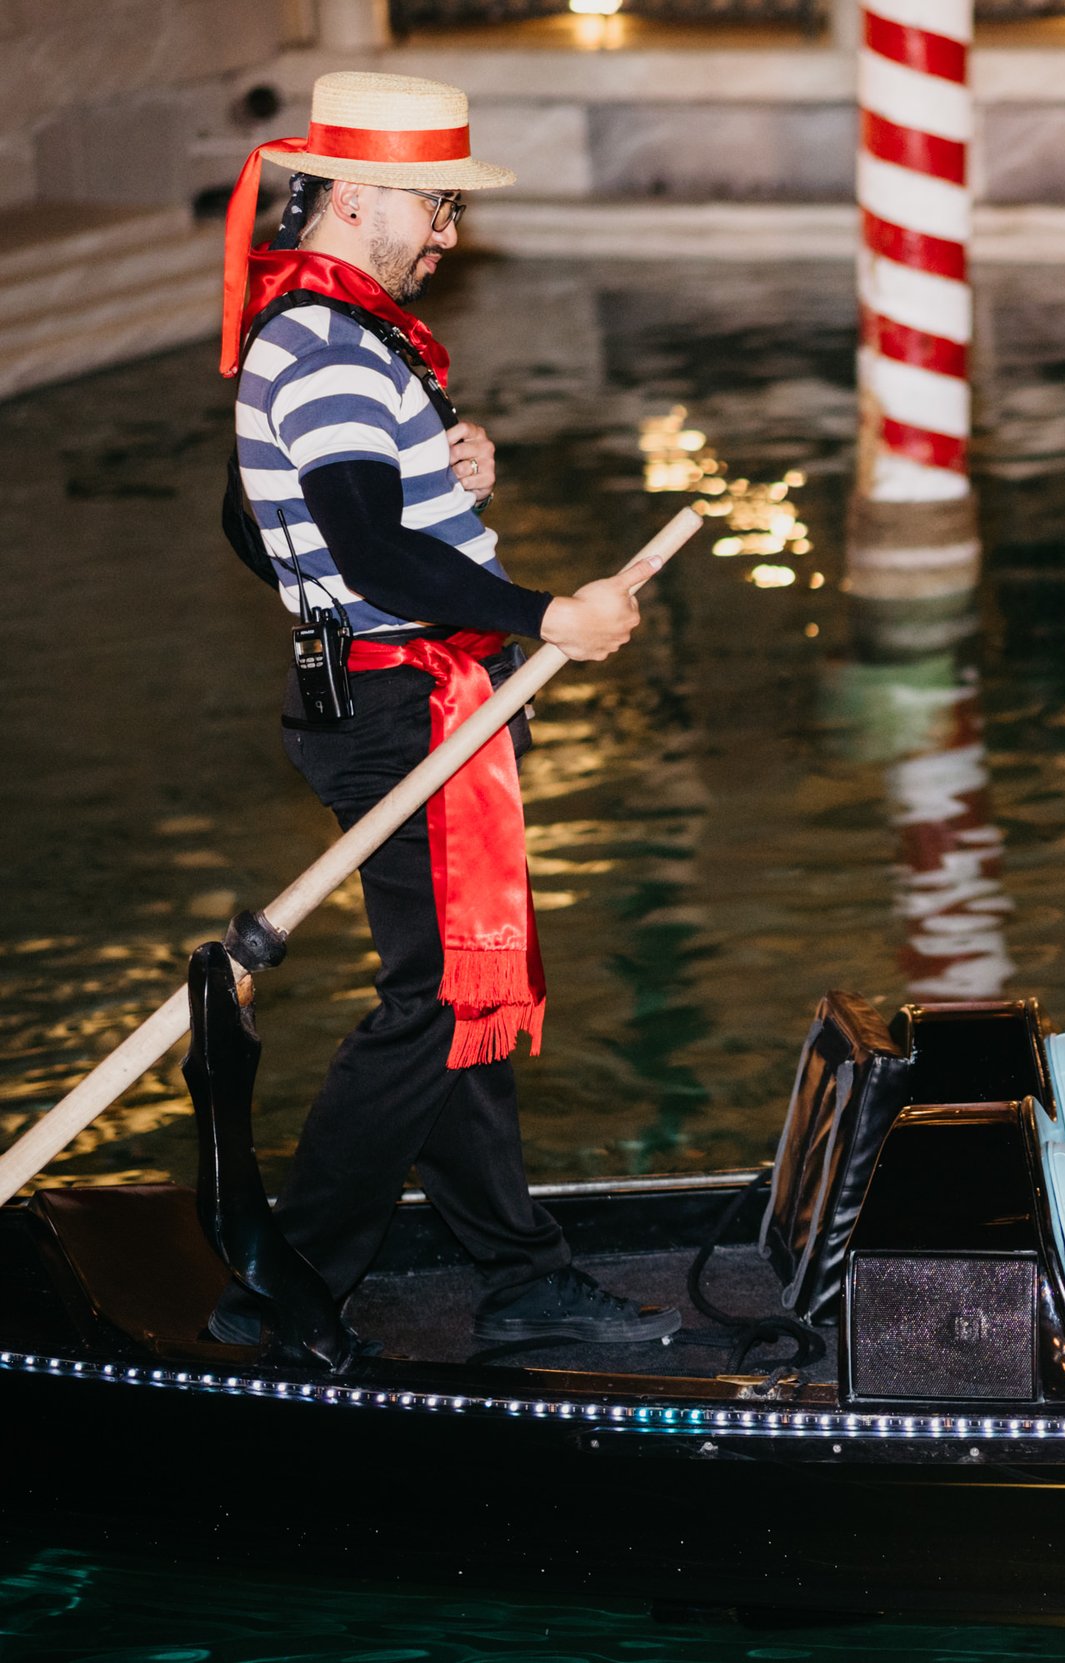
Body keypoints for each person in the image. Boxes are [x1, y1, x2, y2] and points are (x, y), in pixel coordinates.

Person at [210, 72, 677, 1347]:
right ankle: (288, 1285)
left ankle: (518, 1273)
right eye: (434, 206)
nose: (447, 235)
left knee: (460, 989)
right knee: (431, 1003)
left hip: (399, 700)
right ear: (357, 198)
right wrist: (546, 615)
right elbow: (364, 550)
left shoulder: (323, 336)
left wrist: (448, 477)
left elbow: (263, 524)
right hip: (399, 712)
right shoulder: (322, 339)